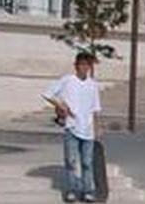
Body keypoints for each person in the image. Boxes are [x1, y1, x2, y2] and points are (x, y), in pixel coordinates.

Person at [42, 52, 103, 203]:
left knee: (87, 162)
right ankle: (71, 190)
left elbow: (95, 108)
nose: (83, 68)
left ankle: (88, 191)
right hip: (72, 127)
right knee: (71, 161)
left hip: (87, 129)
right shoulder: (68, 80)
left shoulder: (93, 85)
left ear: (89, 67)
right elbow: (47, 93)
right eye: (80, 65)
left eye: (86, 65)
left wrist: (97, 128)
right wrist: (61, 106)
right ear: (75, 66)